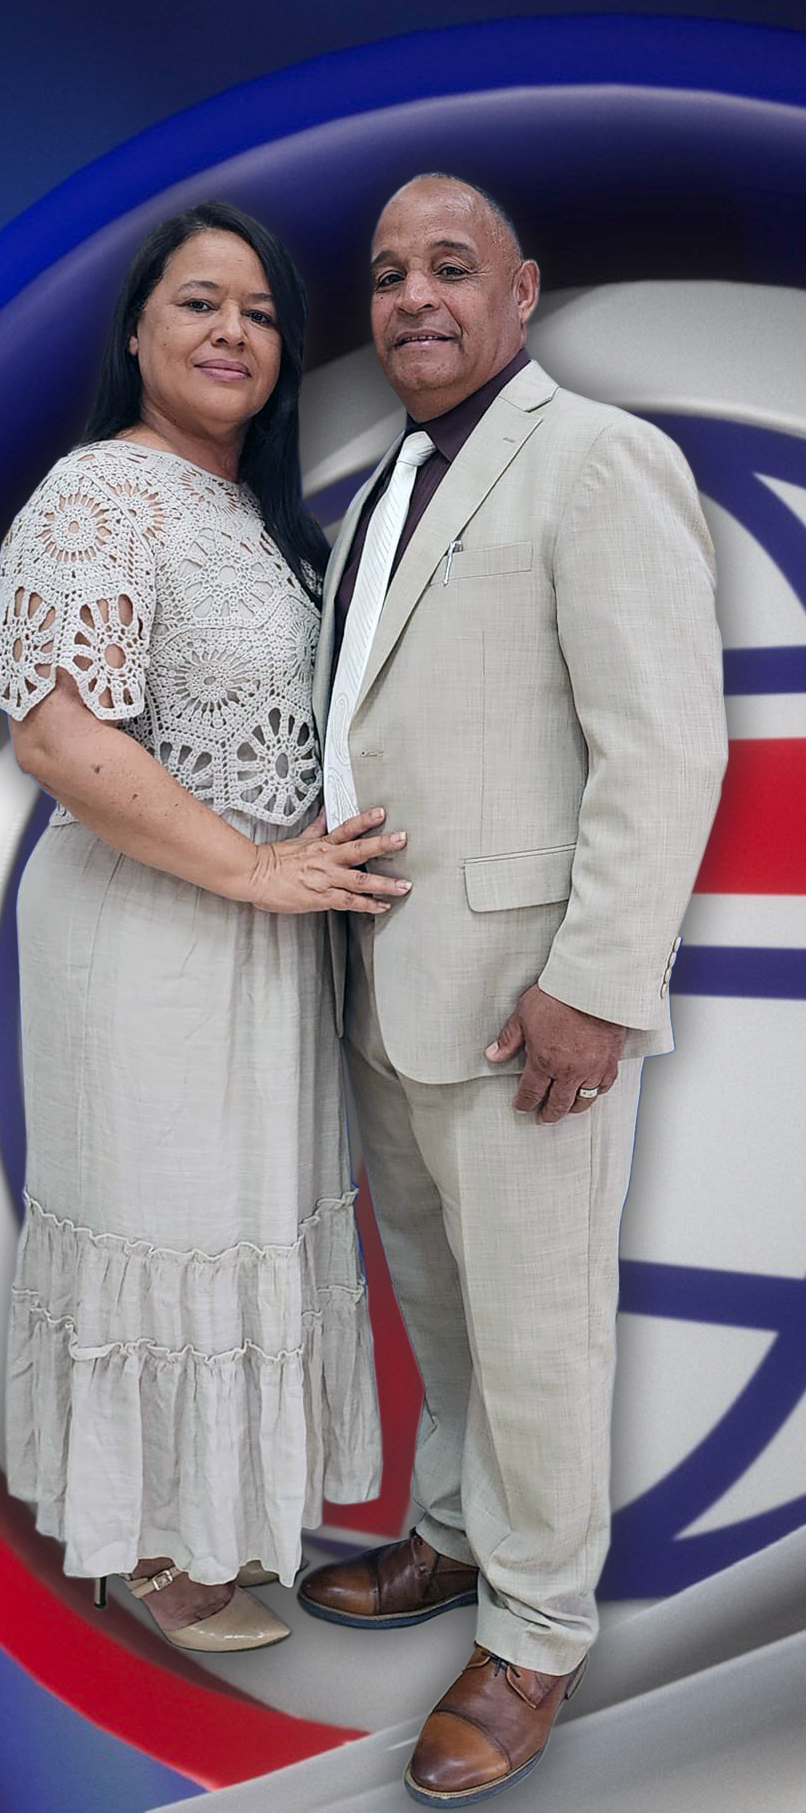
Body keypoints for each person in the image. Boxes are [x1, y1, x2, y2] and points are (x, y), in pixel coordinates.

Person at [298, 174, 728, 1800]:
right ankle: (459, 1538)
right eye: (390, 271)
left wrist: (595, 985)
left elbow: (667, 742)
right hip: (384, 984)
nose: (413, 294)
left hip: (521, 1000)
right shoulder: (385, 493)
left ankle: (536, 1635)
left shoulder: (597, 458)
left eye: (450, 267)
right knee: (446, 1312)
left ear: (520, 293)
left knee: (540, 1335)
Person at [0, 202, 408, 1654]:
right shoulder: (97, 494)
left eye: (261, 313)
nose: (233, 333)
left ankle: (213, 1524)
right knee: (167, 1227)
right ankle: (152, 1547)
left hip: (254, 929)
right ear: (137, 333)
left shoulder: (248, 514)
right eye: (197, 304)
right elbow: (58, 738)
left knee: (244, 1227)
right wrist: (249, 872)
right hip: (151, 933)